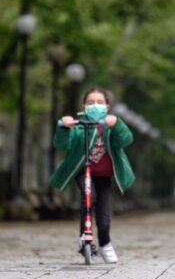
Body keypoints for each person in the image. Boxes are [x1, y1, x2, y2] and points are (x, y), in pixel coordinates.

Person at [50, 87, 135, 264]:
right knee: (89, 196)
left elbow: (126, 140)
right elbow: (62, 145)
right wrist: (64, 127)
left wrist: (117, 124)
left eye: (99, 102)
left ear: (107, 106)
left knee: (104, 216)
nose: (95, 105)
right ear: (84, 106)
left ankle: (105, 243)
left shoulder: (110, 126)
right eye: (90, 102)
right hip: (83, 172)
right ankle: (84, 235)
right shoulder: (78, 127)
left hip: (104, 176)